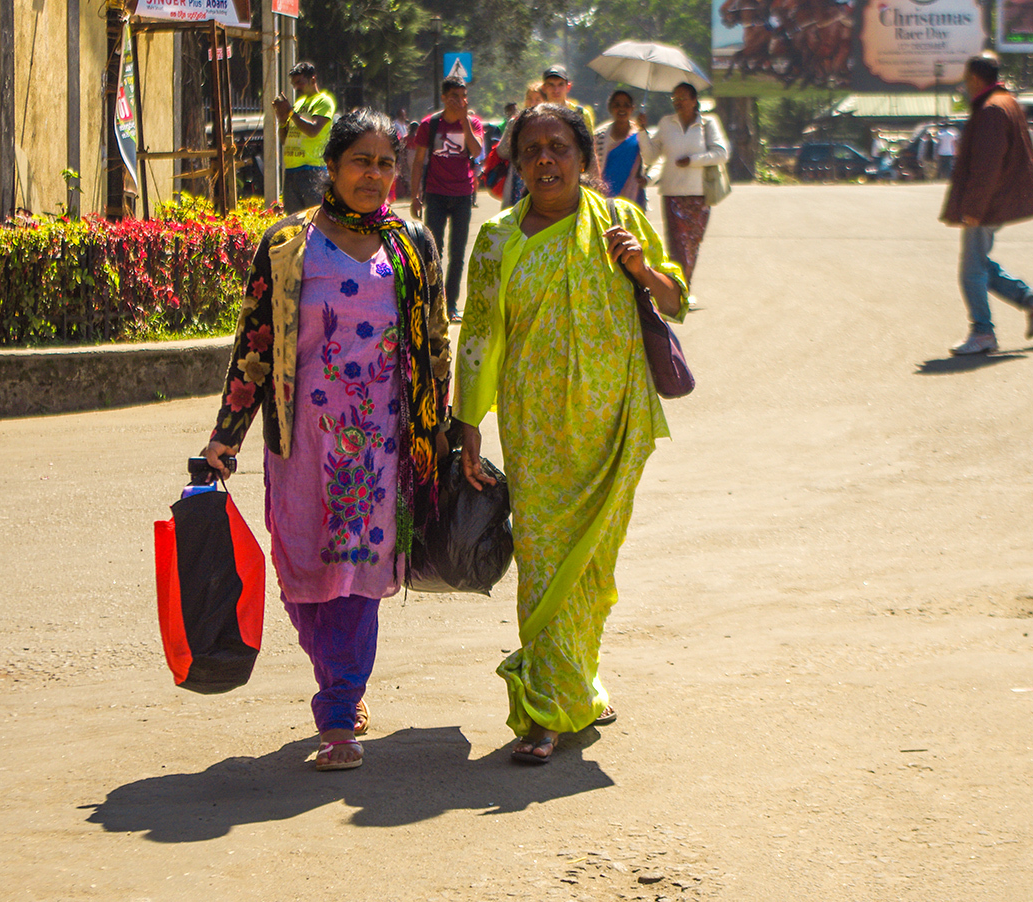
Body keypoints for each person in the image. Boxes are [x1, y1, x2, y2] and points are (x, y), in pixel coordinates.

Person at [203, 109, 452, 772]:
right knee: (303, 573)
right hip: (299, 448)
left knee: (358, 578)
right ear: (332, 170)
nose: (373, 175)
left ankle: (340, 712)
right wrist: (227, 434)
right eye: (360, 162)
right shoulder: (290, 244)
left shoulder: (412, 245)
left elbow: (435, 348)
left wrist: (438, 435)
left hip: (379, 450)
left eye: (384, 163)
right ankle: (336, 676)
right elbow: (255, 342)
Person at [454, 104, 689, 765]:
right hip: (535, 431)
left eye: (559, 147)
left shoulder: (620, 223)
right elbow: (478, 335)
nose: (545, 159)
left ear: (586, 159)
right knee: (545, 561)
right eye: (532, 151)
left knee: (592, 568)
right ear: (517, 164)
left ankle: (577, 679)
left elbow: (675, 301)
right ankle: (548, 712)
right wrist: (468, 422)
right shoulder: (498, 238)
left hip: (614, 425)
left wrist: (641, 268)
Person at [941, 55, 1033, 356]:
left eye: (967, 80)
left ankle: (982, 332)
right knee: (980, 264)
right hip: (999, 197)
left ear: (976, 79)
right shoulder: (1005, 102)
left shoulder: (991, 110)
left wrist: (974, 209)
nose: (965, 87)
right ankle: (1032, 300)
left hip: (989, 201)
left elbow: (987, 166)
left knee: (971, 270)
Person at [409, 76, 485, 322]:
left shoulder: (473, 123)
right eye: (454, 96)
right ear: (443, 97)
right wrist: (415, 196)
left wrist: (464, 121)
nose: (459, 101)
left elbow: (476, 152)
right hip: (436, 194)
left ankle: (451, 305)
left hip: (463, 194)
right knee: (433, 251)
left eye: (463, 96)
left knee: (458, 252)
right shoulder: (429, 125)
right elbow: (419, 162)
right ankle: (433, 303)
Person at [639, 81, 729, 287]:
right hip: (672, 193)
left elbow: (721, 153)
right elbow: (651, 155)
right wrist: (642, 132)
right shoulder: (666, 123)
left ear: (694, 100)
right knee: (677, 244)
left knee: (692, 244)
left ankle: (684, 285)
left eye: (682, 98)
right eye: (675, 99)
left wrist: (693, 160)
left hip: (699, 194)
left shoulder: (708, 123)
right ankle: (678, 289)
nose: (678, 102)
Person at [273, 62, 337, 215]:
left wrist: (291, 113)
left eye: (300, 82)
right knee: (293, 222)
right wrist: (282, 121)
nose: (296, 87)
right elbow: (284, 140)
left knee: (315, 219)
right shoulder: (298, 104)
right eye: (294, 84)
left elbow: (314, 130)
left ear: (313, 80)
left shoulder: (323, 101)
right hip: (291, 170)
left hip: (313, 170)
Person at [594, 89, 649, 208]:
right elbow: (593, 166)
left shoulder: (640, 134)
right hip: (605, 196)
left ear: (632, 108)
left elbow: (651, 158)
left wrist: (648, 178)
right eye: (617, 105)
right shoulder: (600, 136)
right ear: (610, 108)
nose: (622, 109)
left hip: (634, 196)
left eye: (626, 105)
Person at [495, 82, 546, 210]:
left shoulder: (552, 123)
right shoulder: (516, 122)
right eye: (530, 99)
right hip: (519, 178)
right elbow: (502, 151)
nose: (532, 103)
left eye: (537, 99)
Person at [541, 65, 595, 131]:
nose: (556, 90)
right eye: (551, 85)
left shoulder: (581, 114)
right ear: (544, 88)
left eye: (560, 85)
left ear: (568, 87)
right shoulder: (537, 115)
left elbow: (590, 140)